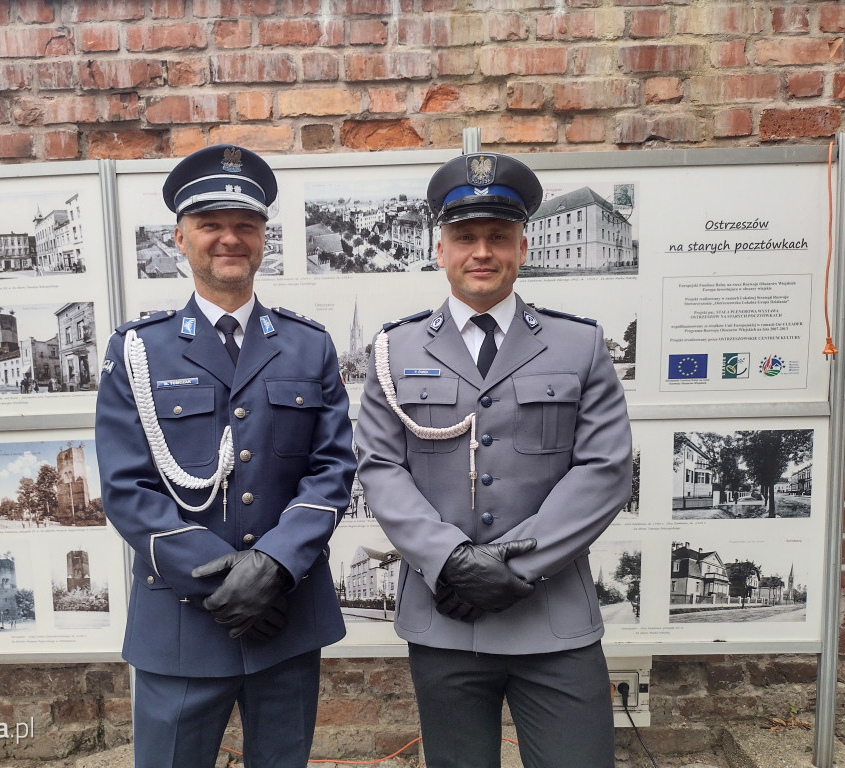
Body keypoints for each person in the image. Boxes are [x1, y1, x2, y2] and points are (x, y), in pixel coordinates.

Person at [354, 151, 632, 768]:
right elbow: (379, 467)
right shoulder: (392, 351)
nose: (482, 251)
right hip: (445, 614)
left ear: (522, 248)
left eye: (498, 237)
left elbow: (605, 468)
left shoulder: (578, 344)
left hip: (553, 616)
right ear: (441, 250)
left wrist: (516, 565)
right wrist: (451, 560)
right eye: (465, 237)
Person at [95, 144, 356, 768]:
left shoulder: (308, 346)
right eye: (211, 224)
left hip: (285, 619)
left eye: (245, 225)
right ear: (180, 237)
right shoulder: (138, 350)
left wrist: (270, 568)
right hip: (182, 626)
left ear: (263, 237)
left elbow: (333, 468)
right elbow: (127, 487)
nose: (229, 239)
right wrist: (229, 581)